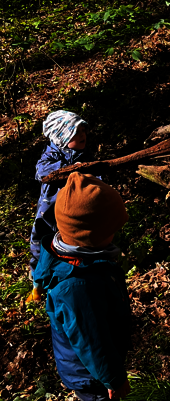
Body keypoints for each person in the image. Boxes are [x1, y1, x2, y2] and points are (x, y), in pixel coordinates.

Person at [33, 172, 132, 401]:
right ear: (89, 234)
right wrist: (112, 377)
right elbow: (91, 341)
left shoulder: (64, 247)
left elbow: (44, 265)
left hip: (93, 364)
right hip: (87, 369)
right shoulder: (77, 287)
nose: (115, 235)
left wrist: (38, 283)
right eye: (110, 230)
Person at [27, 111, 90, 303]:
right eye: (75, 132)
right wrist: (69, 168)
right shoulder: (51, 154)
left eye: (83, 130)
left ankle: (67, 280)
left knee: (70, 246)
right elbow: (42, 171)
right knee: (41, 245)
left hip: (73, 213)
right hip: (49, 213)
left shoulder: (84, 154)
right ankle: (37, 285)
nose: (82, 135)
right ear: (62, 137)